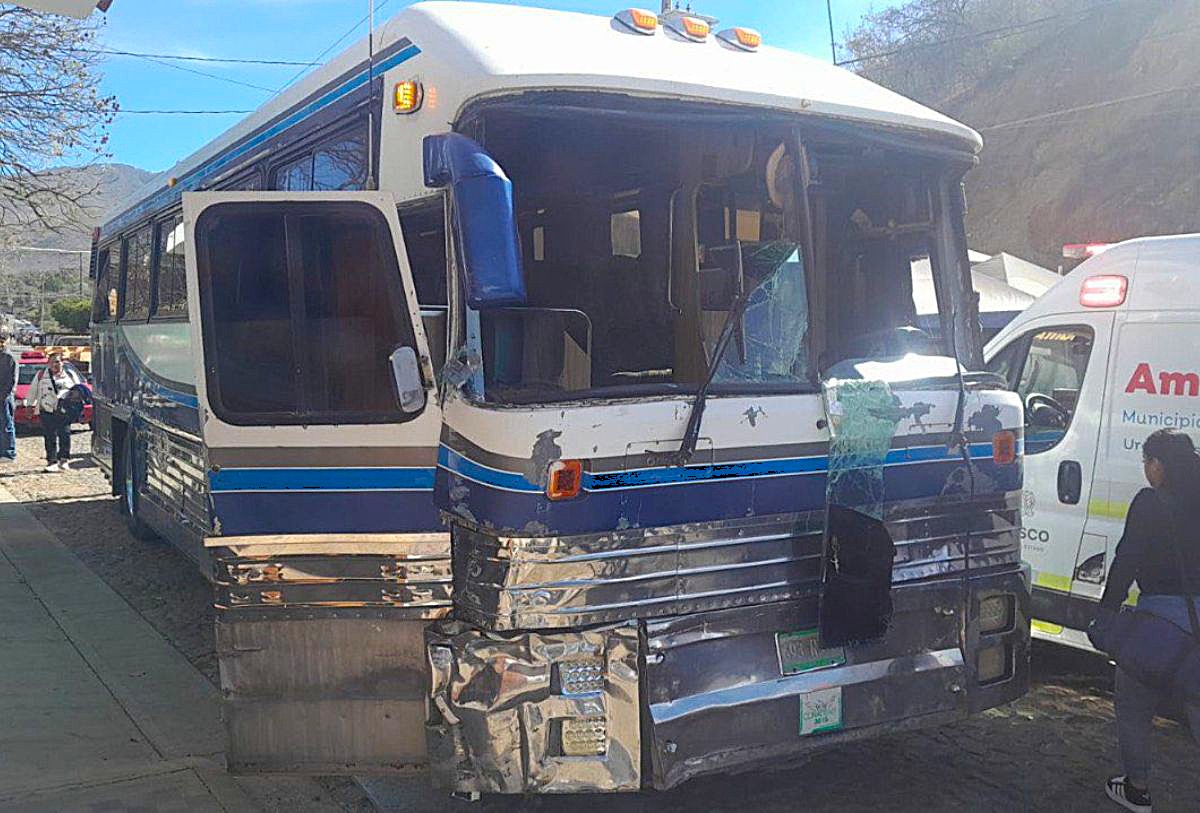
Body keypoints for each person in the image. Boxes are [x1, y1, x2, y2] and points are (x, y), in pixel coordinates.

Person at [1099, 428, 1200, 813]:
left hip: (1160, 625)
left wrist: (1106, 614)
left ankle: (1137, 788)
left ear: (1157, 465)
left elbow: (1127, 560)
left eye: (1146, 462)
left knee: (1133, 700)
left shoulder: (1150, 503)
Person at [25, 352, 84, 473]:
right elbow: (32, 391)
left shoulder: (70, 375)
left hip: (64, 411)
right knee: (49, 436)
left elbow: (80, 389)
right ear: (48, 364)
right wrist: (30, 405)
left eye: (57, 361)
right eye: (52, 362)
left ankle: (64, 459)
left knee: (65, 435)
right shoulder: (41, 375)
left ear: (62, 362)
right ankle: (52, 461)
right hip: (47, 410)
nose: (55, 365)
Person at [0, 331, 16, 466]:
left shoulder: (8, 357)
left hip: (4, 397)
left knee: (6, 425)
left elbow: (11, 380)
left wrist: (3, 396)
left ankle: (9, 452)